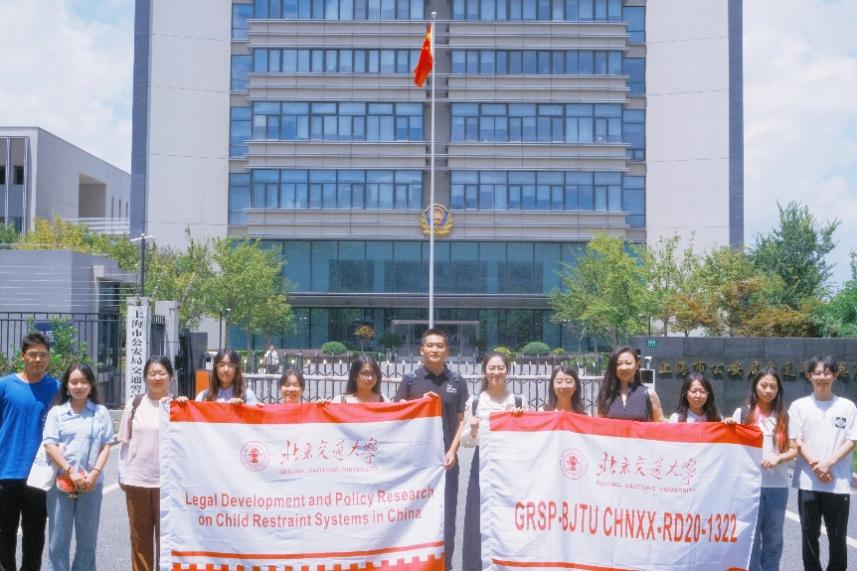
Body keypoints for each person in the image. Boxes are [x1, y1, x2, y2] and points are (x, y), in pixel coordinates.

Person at [393, 328, 468, 570]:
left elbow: (462, 421)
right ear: (421, 350)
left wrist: (453, 451)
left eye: (440, 346)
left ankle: (445, 565)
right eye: (430, 345)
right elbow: (396, 416)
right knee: (413, 516)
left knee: (446, 517)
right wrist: (418, 404)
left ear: (447, 350)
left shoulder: (457, 381)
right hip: (414, 464)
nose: (435, 349)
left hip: (446, 462)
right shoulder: (410, 380)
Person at [42, 363, 113, 571]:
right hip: (61, 483)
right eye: (74, 382)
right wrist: (70, 471)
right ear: (66, 386)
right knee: (58, 541)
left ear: (91, 385)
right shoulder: (57, 413)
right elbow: (49, 444)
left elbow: (106, 445)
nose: (79, 386)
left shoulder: (100, 412)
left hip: (91, 485)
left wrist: (95, 474)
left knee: (87, 542)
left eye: (83, 381)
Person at [460, 351, 527, 571]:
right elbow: (466, 442)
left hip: (511, 467)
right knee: (478, 517)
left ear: (507, 371)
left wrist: (520, 421)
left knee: (510, 516)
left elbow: (529, 437)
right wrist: (473, 430)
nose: (496, 372)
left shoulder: (519, 401)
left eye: (500, 368)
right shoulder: (475, 402)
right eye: (491, 368)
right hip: (483, 465)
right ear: (484, 371)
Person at [789, 355, 857, 571]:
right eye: (817, 373)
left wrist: (829, 463)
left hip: (838, 483)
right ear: (809, 376)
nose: (822, 377)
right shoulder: (799, 406)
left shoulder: (847, 406)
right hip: (808, 482)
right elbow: (796, 439)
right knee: (809, 535)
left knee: (838, 537)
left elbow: (853, 439)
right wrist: (816, 465)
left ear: (835, 375)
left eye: (827, 373)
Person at [0, 332, 60, 571]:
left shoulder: (56, 388)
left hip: (39, 474)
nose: (37, 359)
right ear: (22, 356)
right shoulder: (5, 385)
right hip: (5, 470)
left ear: (49, 357)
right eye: (33, 354)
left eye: (42, 355)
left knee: (34, 536)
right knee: (3, 533)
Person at [728, 367, 796, 571]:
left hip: (777, 488)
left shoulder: (784, 416)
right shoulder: (742, 414)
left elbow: (794, 449)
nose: (768, 390)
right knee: (751, 540)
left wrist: (779, 457)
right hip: (749, 487)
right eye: (764, 385)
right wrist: (728, 427)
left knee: (774, 541)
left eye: (773, 387)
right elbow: (730, 447)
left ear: (778, 390)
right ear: (755, 387)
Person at [119, 355, 174, 571]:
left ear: (170, 377)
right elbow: (125, 443)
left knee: (168, 541)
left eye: (161, 373)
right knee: (139, 540)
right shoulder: (134, 404)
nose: (157, 377)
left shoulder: (178, 405)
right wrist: (122, 476)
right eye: (152, 373)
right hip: (137, 482)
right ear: (145, 377)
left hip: (168, 485)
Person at [596, 345, 664, 421]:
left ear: (637, 365)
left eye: (628, 363)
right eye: (618, 364)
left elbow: (660, 425)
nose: (624, 368)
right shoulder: (606, 395)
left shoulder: (649, 394)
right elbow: (598, 424)